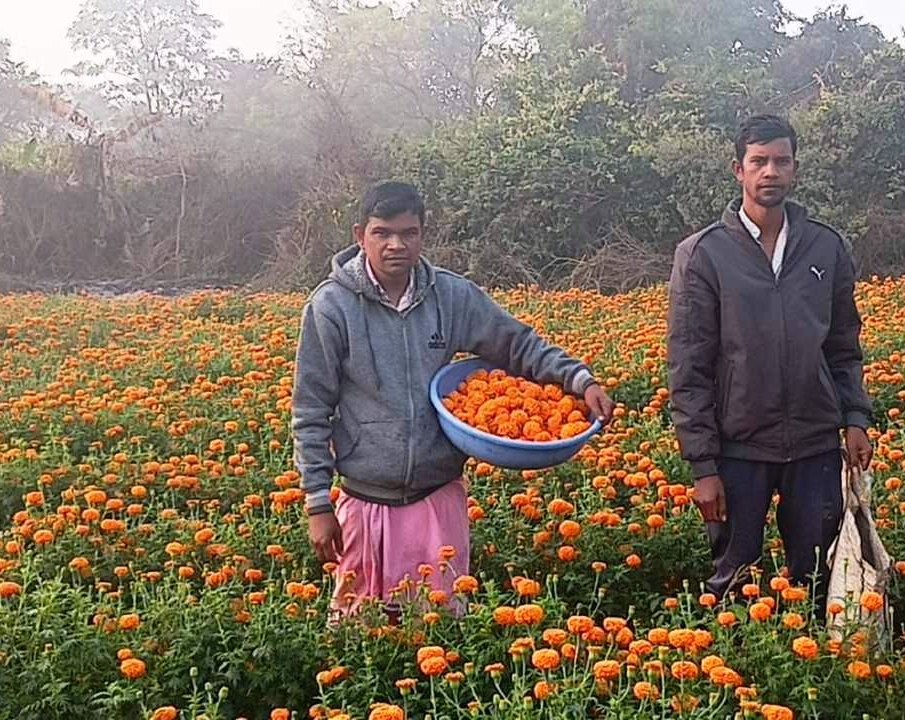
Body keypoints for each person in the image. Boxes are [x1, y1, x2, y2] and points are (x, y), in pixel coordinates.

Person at [292, 180, 615, 622]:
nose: (395, 245)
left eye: (408, 233)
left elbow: (517, 344)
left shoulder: (450, 296)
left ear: (423, 234)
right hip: (365, 499)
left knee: (440, 626)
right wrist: (317, 501)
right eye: (382, 233)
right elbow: (310, 409)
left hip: (437, 495)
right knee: (362, 630)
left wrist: (579, 380)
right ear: (360, 235)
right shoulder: (331, 306)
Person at [666, 114, 875, 605]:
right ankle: (736, 655)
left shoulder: (825, 246)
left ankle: (815, 654)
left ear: (794, 168)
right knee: (734, 583)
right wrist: (703, 465)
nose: (770, 172)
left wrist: (855, 417)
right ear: (738, 169)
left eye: (781, 161)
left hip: (814, 443)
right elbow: (689, 367)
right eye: (759, 161)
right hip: (737, 448)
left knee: (820, 580)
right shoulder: (703, 254)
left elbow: (843, 344)